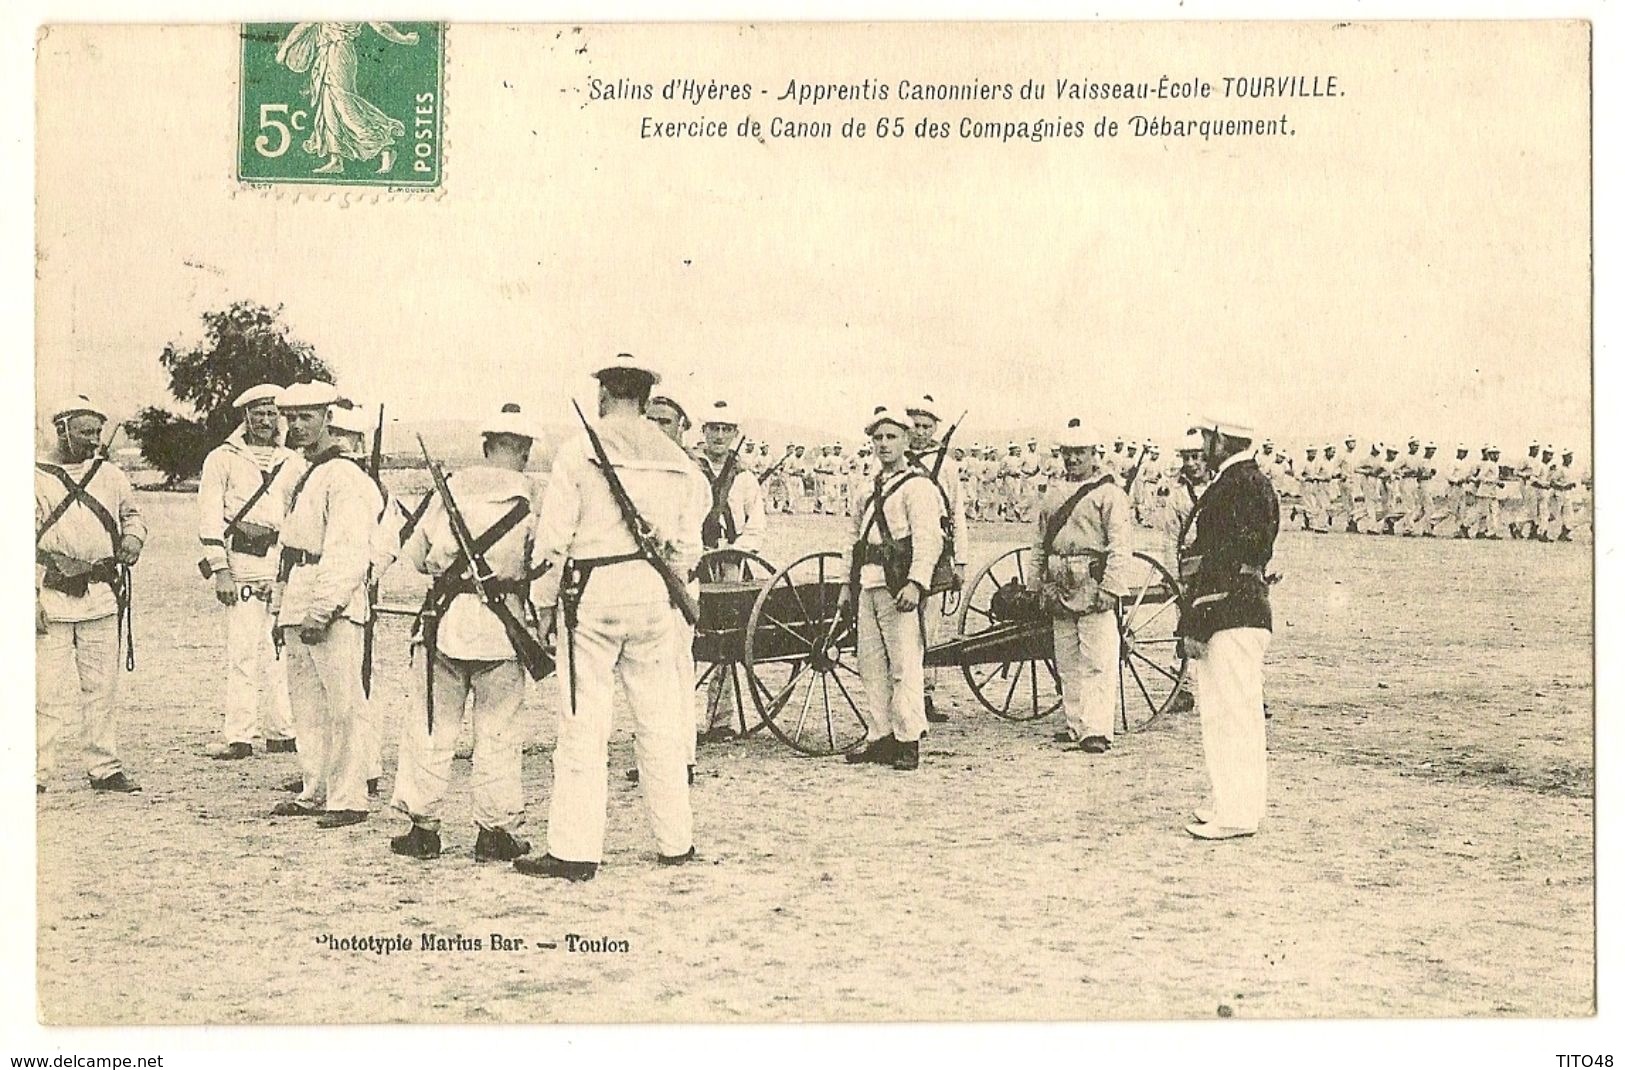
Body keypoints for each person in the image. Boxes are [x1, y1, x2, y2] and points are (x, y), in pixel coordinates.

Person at [517, 354, 706, 881]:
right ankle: (675, 841)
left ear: (603, 395)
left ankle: (575, 851)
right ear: (646, 400)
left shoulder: (580, 450)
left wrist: (541, 604)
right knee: (660, 721)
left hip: (593, 594)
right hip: (652, 595)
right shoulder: (675, 458)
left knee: (583, 725)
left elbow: (554, 540)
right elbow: (689, 545)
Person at [387, 404, 542, 862]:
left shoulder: (449, 489)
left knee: (430, 724)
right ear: (526, 452)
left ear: (485, 446)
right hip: (503, 627)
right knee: (498, 732)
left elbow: (415, 557)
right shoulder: (535, 497)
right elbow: (544, 563)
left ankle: (423, 829)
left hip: (447, 621)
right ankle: (494, 833)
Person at [267, 381, 378, 829]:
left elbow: (348, 549)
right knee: (306, 707)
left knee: (344, 704)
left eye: (306, 417)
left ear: (328, 419)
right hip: (298, 592)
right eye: (290, 418)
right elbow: (288, 547)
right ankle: (315, 789)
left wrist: (323, 608)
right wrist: (282, 608)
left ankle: (349, 798)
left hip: (330, 603)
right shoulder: (303, 472)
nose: (296, 426)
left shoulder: (346, 476)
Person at [36, 395, 147, 794]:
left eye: (97, 432)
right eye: (85, 432)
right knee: (44, 691)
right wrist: (28, 597)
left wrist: (133, 538)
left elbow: (132, 514)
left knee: (102, 687)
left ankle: (104, 767)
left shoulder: (111, 476)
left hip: (101, 595)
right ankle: (35, 771)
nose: (93, 440)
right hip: (51, 597)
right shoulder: (33, 476)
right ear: (62, 430)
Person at [1178, 416, 1279, 841]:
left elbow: (1221, 561)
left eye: (1205, 436)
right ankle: (1239, 802)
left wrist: (1197, 622)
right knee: (1240, 713)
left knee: (1228, 716)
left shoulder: (1234, 485)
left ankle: (1236, 814)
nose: (1202, 444)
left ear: (1220, 438)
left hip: (1230, 611)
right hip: (1246, 609)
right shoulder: (1252, 480)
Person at [196, 384, 299, 761]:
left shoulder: (293, 462)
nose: (266, 421)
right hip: (239, 562)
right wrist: (221, 570)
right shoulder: (221, 459)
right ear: (246, 417)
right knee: (242, 650)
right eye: (258, 413)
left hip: (277, 561)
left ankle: (282, 731)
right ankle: (239, 735)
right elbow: (209, 515)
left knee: (278, 648)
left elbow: (297, 517)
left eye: (272, 413)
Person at [841, 404, 945, 772]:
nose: (883, 444)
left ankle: (907, 739)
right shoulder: (866, 486)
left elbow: (928, 540)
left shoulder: (918, 487)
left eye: (891, 437)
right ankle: (880, 736)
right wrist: (846, 583)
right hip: (868, 583)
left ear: (905, 440)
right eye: (878, 438)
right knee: (870, 665)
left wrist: (917, 583)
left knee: (904, 665)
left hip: (899, 584)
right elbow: (853, 537)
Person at [1028, 424, 1133, 753]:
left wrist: (1111, 587)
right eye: (1067, 454)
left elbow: (1120, 544)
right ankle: (1075, 724)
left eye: (1080, 453)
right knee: (1067, 658)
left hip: (1092, 581)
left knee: (1097, 658)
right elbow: (1039, 541)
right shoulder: (1053, 492)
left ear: (1094, 455)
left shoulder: (1109, 493)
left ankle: (1097, 729)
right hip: (1059, 580)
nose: (1072, 459)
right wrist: (1036, 583)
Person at [695, 399, 766, 740]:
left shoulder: (745, 478)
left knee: (725, 640)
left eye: (726, 430)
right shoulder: (689, 470)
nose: (719, 436)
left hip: (730, 566)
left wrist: (735, 550)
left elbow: (757, 524)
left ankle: (720, 721)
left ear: (735, 434)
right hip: (692, 562)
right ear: (703, 432)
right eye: (713, 429)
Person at [905, 395, 965, 726]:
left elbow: (957, 514)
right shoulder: (894, 460)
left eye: (927, 427)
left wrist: (962, 562)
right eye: (915, 426)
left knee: (930, 626)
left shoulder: (949, 467)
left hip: (937, 551)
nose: (921, 433)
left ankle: (926, 695)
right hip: (900, 551)